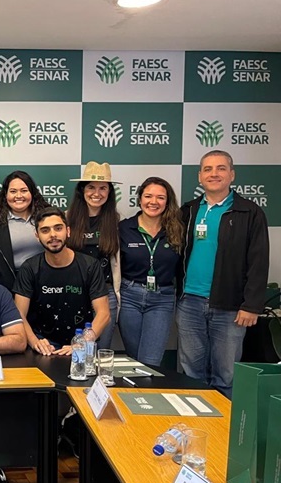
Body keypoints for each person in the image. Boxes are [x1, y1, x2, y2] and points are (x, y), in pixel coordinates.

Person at [176, 150, 269, 397]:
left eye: (220, 168)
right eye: (207, 169)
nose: (214, 174)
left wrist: (251, 305)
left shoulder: (249, 212)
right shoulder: (188, 211)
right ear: (199, 176)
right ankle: (192, 428)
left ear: (232, 174)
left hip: (230, 307)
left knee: (226, 375)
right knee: (190, 373)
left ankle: (222, 433)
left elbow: (259, 261)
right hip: (190, 304)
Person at [14, 207, 110, 355]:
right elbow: (19, 313)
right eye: (45, 230)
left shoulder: (89, 265)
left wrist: (81, 343)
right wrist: (35, 342)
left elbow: (103, 313)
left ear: (68, 231)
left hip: (81, 342)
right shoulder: (29, 268)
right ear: (37, 236)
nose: (53, 235)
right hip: (43, 344)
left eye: (58, 228)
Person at [118, 177, 183, 366]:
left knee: (150, 361)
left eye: (160, 197)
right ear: (139, 199)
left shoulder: (177, 229)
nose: (153, 202)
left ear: (168, 202)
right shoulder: (123, 228)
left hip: (162, 298)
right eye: (148, 196)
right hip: (129, 295)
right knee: (134, 360)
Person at [66, 161, 120, 349]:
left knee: (100, 350)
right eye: (91, 187)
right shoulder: (66, 219)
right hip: (73, 291)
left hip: (105, 294)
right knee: (74, 349)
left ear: (109, 192)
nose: (96, 193)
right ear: (82, 190)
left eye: (103, 188)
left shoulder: (115, 221)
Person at [0, 170, 50, 292]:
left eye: (24, 191)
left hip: (44, 285)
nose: (19, 196)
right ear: (5, 195)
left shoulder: (47, 216)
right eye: (13, 191)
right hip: (6, 289)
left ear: (32, 193)